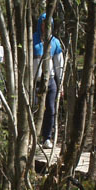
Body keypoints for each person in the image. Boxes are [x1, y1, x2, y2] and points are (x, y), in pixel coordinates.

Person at [32, 13, 64, 149]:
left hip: (50, 81)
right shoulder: (32, 39)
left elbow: (59, 65)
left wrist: (60, 84)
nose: (46, 26)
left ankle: (47, 138)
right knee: (34, 109)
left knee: (50, 109)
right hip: (35, 82)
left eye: (49, 23)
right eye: (44, 23)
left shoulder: (55, 42)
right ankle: (32, 137)